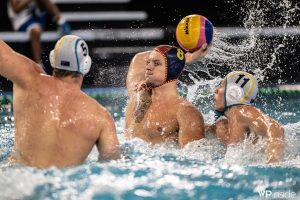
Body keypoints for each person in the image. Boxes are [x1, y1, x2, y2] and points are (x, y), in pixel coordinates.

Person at [0, 35, 120, 168]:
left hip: (19, 178)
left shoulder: (28, 78)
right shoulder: (101, 117)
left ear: (53, 58)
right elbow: (113, 164)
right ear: (86, 65)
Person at [125, 44, 210, 148]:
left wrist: (180, 60)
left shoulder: (185, 112)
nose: (148, 67)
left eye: (156, 63)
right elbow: (138, 58)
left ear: (172, 69)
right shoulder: (137, 93)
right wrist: (186, 58)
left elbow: (193, 159)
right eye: (148, 62)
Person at [206, 71, 284, 163]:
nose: (215, 90)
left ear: (233, 91)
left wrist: (273, 160)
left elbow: (274, 127)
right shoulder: (223, 124)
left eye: (221, 86)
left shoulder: (243, 112)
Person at [7, 0, 71, 64]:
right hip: (21, 21)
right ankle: (38, 63)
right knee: (36, 31)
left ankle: (61, 21)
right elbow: (15, 9)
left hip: (34, 18)